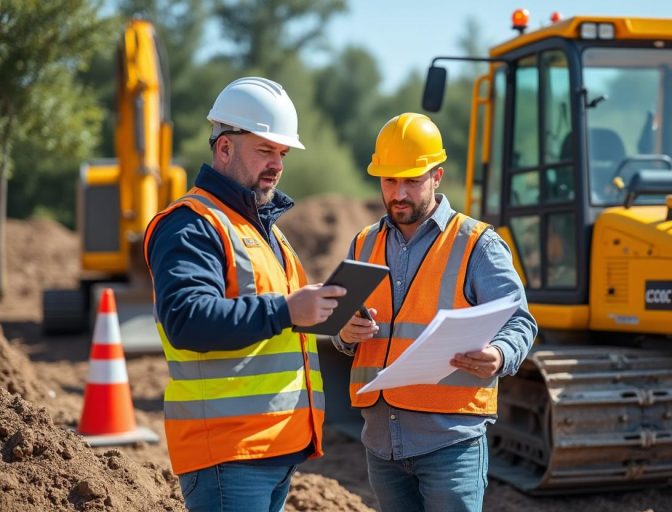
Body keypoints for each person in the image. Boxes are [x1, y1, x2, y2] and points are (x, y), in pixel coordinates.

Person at [143, 76, 346, 512]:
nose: (277, 164)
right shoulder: (191, 224)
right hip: (228, 453)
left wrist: (328, 314)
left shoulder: (263, 229)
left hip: (273, 448)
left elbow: (280, 323)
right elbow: (187, 318)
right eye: (265, 150)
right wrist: (289, 310)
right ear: (225, 148)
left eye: (282, 153)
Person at [334, 112, 538, 512]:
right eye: (390, 181)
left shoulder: (477, 244)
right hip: (381, 443)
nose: (399, 194)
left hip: (450, 443)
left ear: (437, 176)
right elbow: (342, 332)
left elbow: (520, 321)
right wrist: (346, 334)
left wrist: (498, 355)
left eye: (411, 180)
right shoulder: (363, 243)